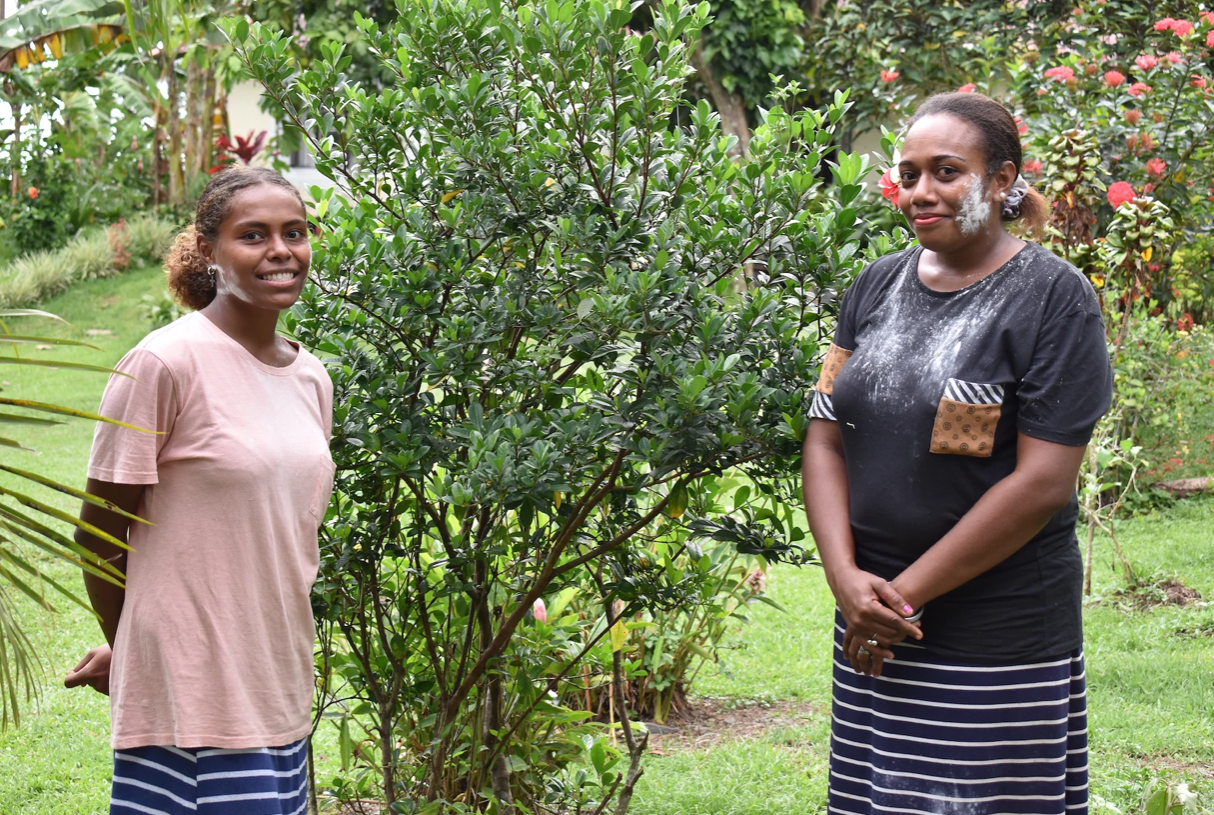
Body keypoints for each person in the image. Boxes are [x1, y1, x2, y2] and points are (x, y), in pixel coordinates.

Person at [801, 92, 1111, 815]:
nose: (920, 192)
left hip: (993, 637)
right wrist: (847, 581)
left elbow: (1041, 483)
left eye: (946, 171)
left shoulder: (1054, 301)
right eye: (908, 174)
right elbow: (824, 435)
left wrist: (898, 597)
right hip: (873, 630)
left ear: (1002, 180)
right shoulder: (873, 287)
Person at [63, 166, 335, 815]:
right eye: (254, 234)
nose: (280, 249)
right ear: (210, 251)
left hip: (277, 687)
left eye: (293, 232)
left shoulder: (311, 377)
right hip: (193, 706)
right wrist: (135, 646)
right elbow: (97, 535)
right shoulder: (165, 364)